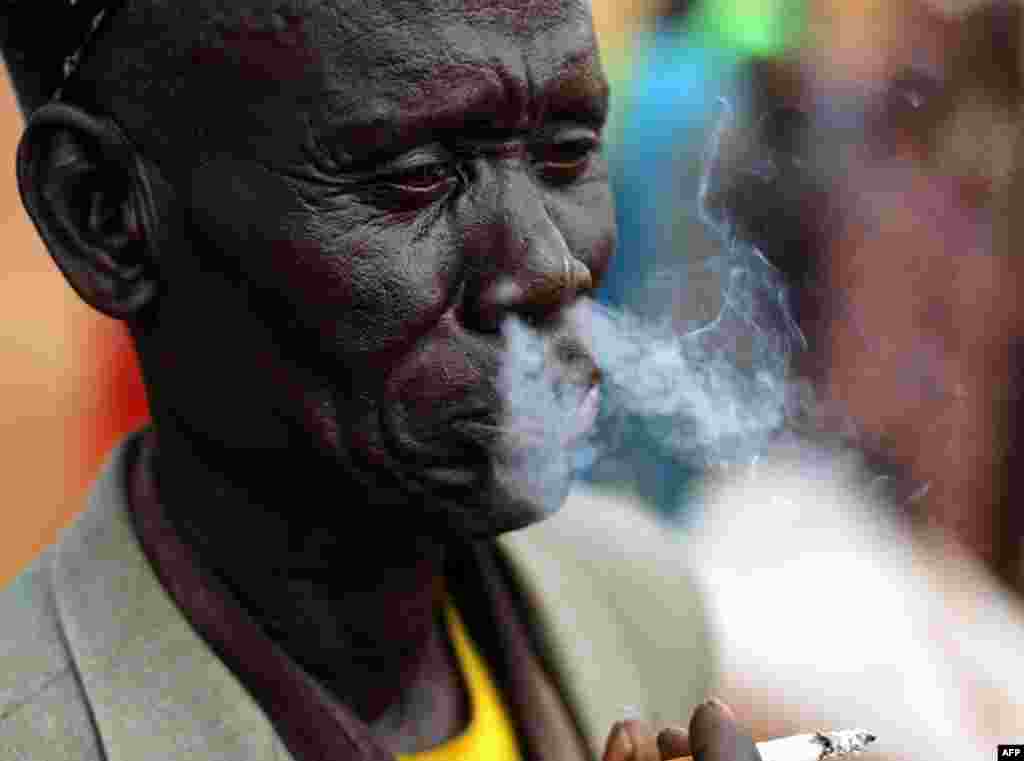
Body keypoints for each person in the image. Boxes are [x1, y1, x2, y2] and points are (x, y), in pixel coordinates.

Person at [0, 1, 763, 759]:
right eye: (419, 176)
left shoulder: (639, 608)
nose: (546, 266)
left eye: (565, 151)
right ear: (104, 214)